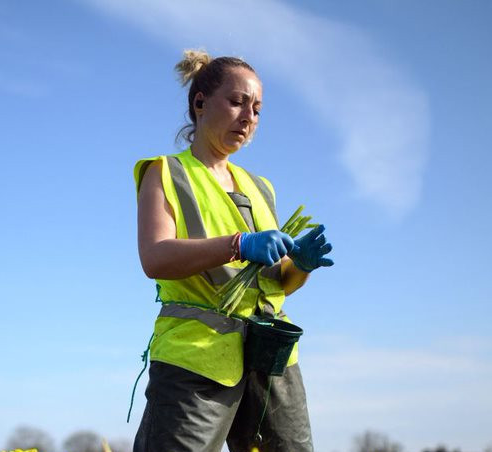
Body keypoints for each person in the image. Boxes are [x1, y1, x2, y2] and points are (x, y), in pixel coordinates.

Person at [132, 49, 334, 452]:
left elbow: (275, 284)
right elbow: (155, 258)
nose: (249, 117)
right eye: (238, 102)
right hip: (196, 361)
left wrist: (302, 267)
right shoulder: (166, 173)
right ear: (200, 102)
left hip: (271, 359)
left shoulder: (261, 188)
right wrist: (239, 244)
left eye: (257, 109)